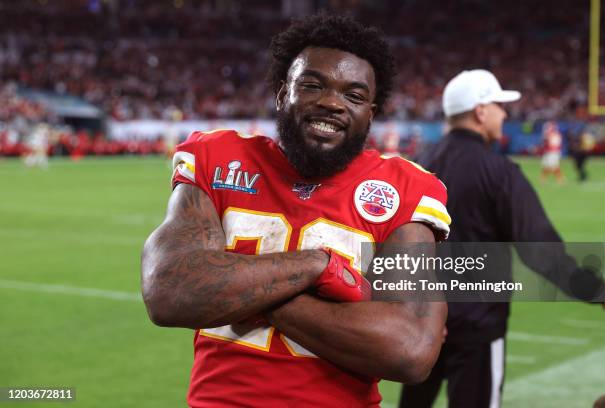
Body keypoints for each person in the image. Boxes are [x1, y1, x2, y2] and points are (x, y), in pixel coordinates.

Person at [141, 14, 451, 407]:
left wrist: (246, 288)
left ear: (370, 114)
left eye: (354, 96)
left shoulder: (403, 189)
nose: (331, 103)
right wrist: (316, 266)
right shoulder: (219, 159)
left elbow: (410, 348)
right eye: (312, 85)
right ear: (281, 91)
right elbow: (169, 291)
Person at [399, 69, 605, 408]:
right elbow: (541, 253)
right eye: (499, 105)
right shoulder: (498, 171)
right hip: (477, 327)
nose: (505, 114)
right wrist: (599, 290)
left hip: (419, 323)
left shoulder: (415, 166)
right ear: (481, 111)